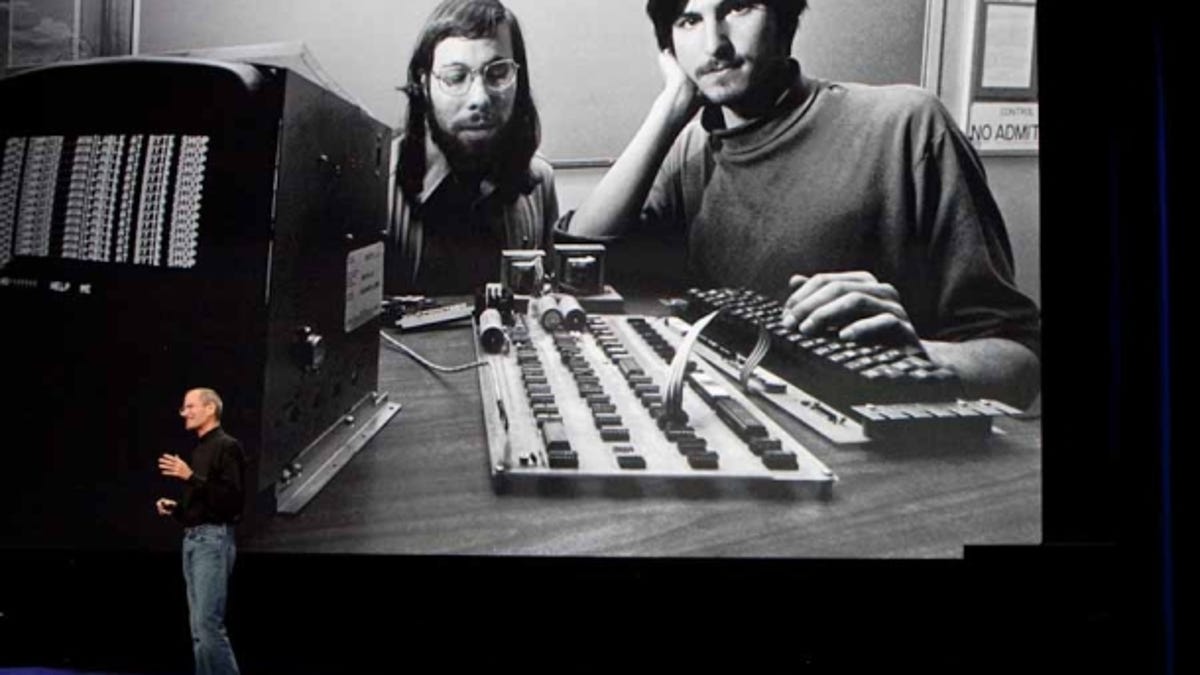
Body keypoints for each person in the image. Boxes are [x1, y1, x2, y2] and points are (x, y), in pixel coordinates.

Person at [566, 0, 1041, 408]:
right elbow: (576, 259)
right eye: (689, 20)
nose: (715, 44)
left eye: (738, 7)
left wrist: (920, 356)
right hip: (750, 442)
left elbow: (1022, 365)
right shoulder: (691, 148)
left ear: (784, 15)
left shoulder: (907, 126)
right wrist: (668, 109)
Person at [389, 0, 559, 294]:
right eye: (455, 78)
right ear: (424, 82)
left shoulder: (539, 181)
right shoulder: (376, 186)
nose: (479, 98)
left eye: (498, 74)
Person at [156, 387, 246, 675]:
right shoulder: (199, 449)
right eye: (184, 407)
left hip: (212, 540)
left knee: (208, 626)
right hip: (194, 540)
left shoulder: (227, 446)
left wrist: (190, 477)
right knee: (198, 630)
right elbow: (205, 503)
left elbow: (232, 500)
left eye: (190, 406)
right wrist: (177, 509)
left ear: (210, 409)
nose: (184, 412)